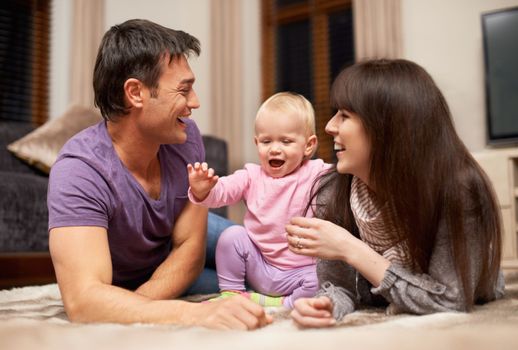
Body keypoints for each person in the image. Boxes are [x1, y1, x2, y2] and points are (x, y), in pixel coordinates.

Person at [47, 19, 271, 330]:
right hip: (140, 270)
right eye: (184, 90)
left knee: (272, 267)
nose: (195, 102)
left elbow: (190, 249)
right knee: (242, 293)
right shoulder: (80, 170)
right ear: (135, 93)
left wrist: (139, 307)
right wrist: (194, 314)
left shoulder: (186, 137)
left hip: (177, 243)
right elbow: (83, 300)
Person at [285, 59, 505, 327]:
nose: (330, 126)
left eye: (344, 115)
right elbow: (340, 286)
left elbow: (450, 299)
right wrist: (325, 305)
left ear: (387, 127)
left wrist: (349, 247)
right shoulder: (334, 188)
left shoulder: (459, 188)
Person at [187, 92, 331, 308]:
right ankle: (232, 293)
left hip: (299, 273)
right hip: (259, 267)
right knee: (232, 236)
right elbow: (222, 192)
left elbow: (344, 179)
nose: (274, 148)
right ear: (257, 143)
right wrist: (203, 190)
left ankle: (283, 303)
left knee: (321, 278)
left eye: (286, 141)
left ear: (308, 146)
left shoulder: (316, 173)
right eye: (266, 141)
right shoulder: (251, 175)